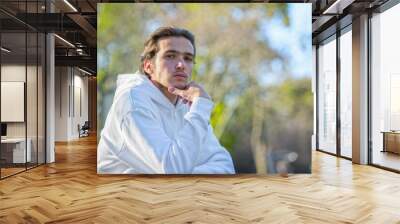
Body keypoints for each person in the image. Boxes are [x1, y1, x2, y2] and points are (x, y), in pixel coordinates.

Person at [97, 26, 235, 174]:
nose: (181, 65)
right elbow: (171, 171)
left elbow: (225, 166)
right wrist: (200, 108)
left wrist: (187, 174)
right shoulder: (132, 102)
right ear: (148, 66)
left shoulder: (189, 106)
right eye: (170, 56)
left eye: (188, 58)